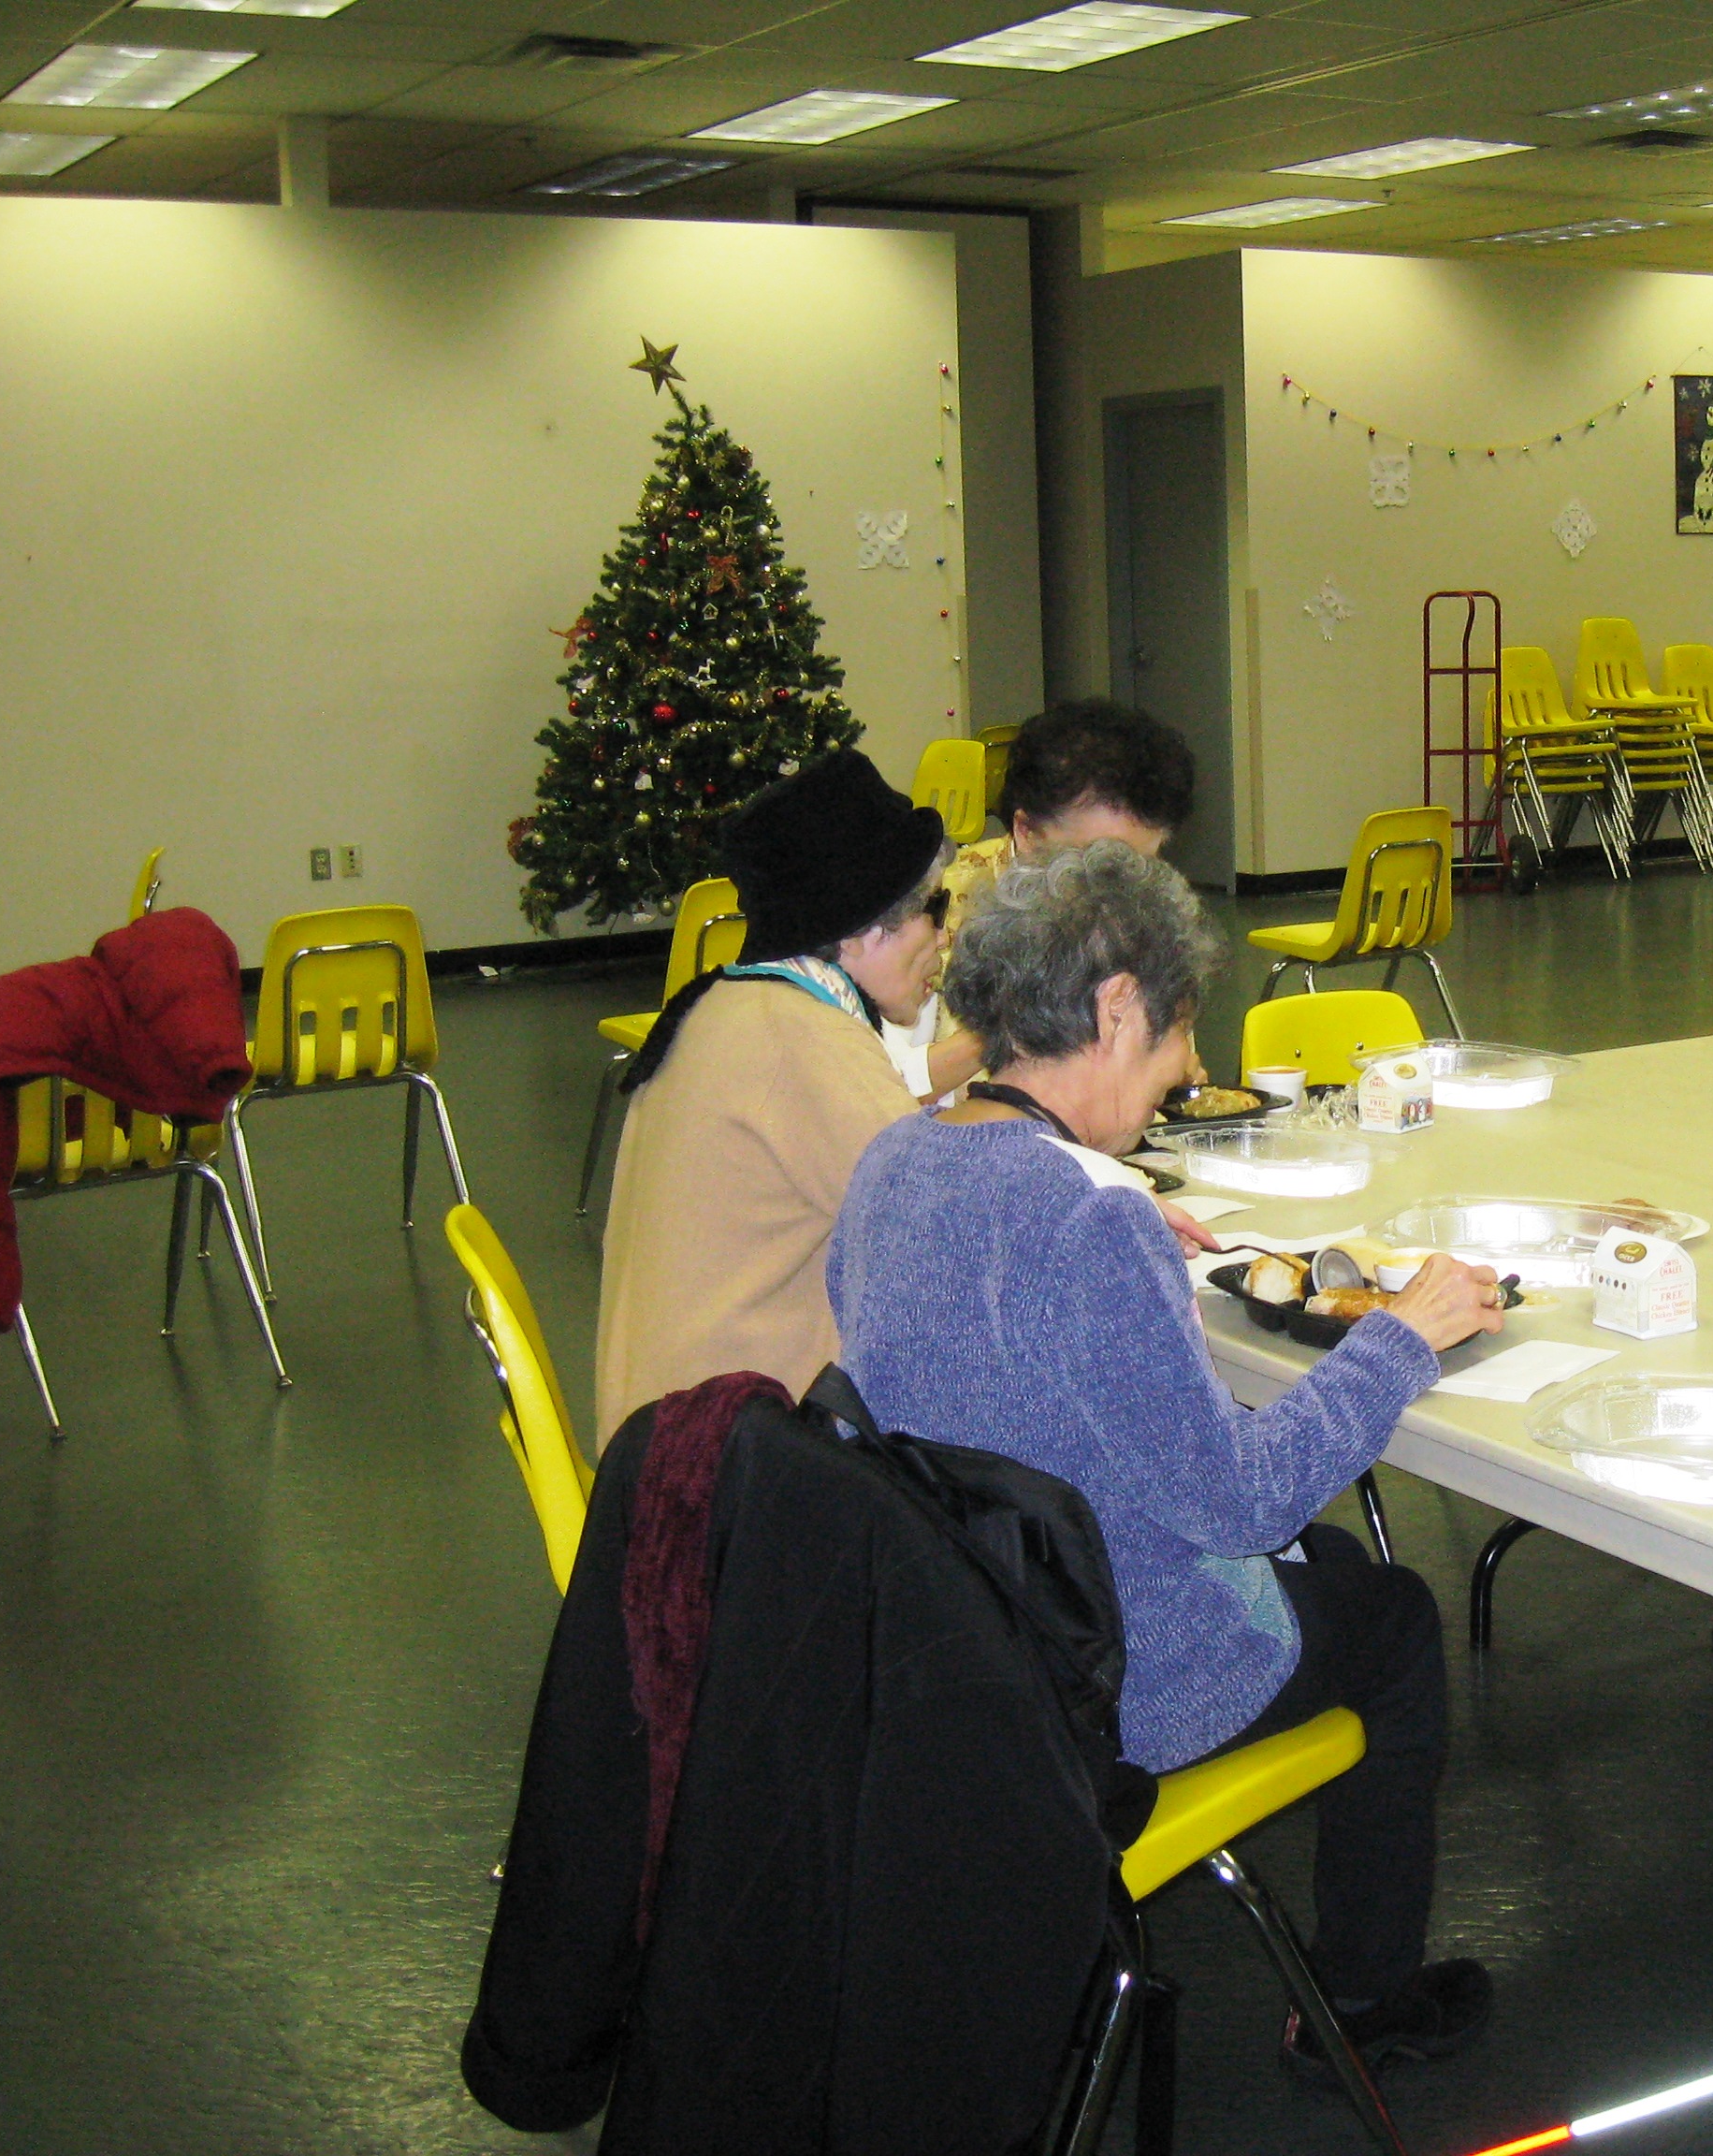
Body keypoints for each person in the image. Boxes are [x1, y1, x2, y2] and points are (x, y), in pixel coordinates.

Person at [829, 842, 1508, 2081]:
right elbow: (1238, 1505)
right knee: (1397, 1621)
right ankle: (1359, 2004)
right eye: (1180, 1031)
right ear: (1113, 1009)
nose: (1192, 1068)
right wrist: (1399, 1340)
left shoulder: (896, 1159)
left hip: (955, 1651)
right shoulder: (1093, 1222)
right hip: (1103, 1685)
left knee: (1337, 1568)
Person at [594, 750, 950, 1448]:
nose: (945, 937)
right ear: (864, 929)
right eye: (931, 913)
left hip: (661, 1438)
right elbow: (942, 1225)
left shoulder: (738, 1005)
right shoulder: (799, 1036)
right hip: (723, 1472)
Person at [913, 697, 1198, 1101]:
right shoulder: (932, 914)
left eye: (1143, 865)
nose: (1124, 893)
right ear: (1026, 832)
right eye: (1100, 865)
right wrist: (1011, 1033)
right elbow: (880, 1089)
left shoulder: (1151, 907)